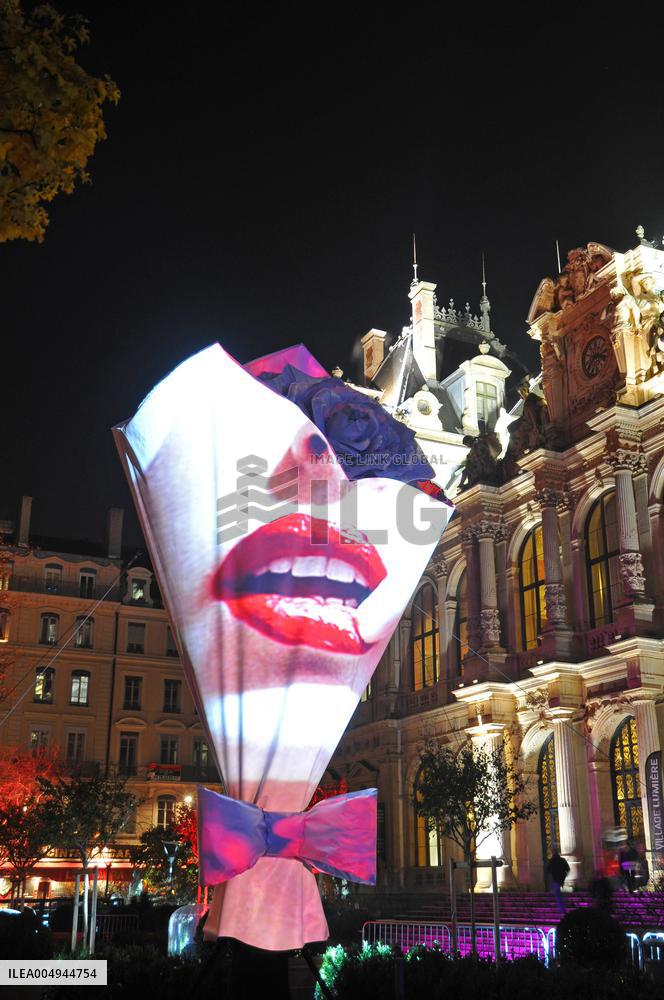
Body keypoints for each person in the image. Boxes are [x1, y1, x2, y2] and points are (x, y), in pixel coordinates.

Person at [546, 849, 570, 914]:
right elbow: (568, 869)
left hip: (556, 880)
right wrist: (564, 875)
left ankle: (562, 910)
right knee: (562, 895)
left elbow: (548, 870)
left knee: (558, 895)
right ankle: (564, 909)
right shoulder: (562, 860)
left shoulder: (551, 861)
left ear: (553, 853)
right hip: (562, 880)